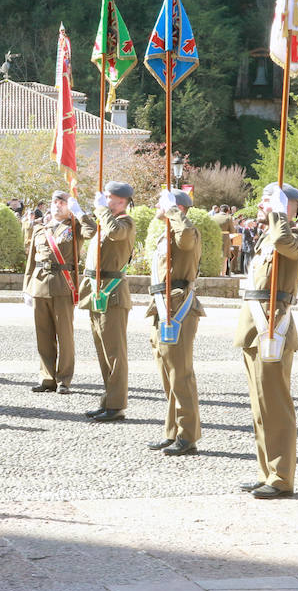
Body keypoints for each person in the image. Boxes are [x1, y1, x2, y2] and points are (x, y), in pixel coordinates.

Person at [235, 183, 298, 499]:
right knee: (259, 405)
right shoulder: (267, 236)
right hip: (255, 326)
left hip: (273, 327)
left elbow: (285, 242)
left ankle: (281, 477)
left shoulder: (297, 237)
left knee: (275, 405)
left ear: (290, 206)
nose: (263, 202)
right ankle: (266, 470)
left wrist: (279, 213)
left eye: (273, 199)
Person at [146, 189, 204, 456]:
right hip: (162, 305)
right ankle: (173, 431)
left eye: (163, 202)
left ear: (177, 208)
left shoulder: (186, 231)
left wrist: (174, 212)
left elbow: (186, 241)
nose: (158, 205)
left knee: (180, 374)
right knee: (168, 375)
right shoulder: (167, 233)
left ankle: (188, 435)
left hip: (178, 307)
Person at [73, 180, 135, 422]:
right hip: (97, 290)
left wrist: (101, 210)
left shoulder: (125, 223)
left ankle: (117, 404)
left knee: (115, 352)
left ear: (121, 201)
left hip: (113, 292)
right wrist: (80, 214)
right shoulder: (107, 220)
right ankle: (108, 400)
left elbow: (114, 232)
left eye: (108, 198)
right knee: (103, 351)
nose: (104, 200)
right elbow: (94, 232)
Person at [23, 189, 78, 394]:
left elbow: (91, 231)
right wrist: (27, 288)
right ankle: (47, 378)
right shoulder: (40, 229)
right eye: (55, 202)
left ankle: (64, 379)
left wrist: (77, 213)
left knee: (65, 336)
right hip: (39, 285)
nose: (57, 205)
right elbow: (31, 262)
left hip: (63, 286)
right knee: (43, 335)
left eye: (62, 202)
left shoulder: (74, 227)